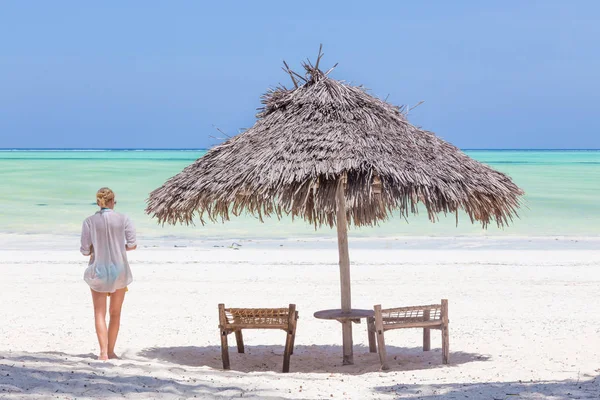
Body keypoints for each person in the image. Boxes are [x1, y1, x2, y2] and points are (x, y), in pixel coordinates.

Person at [80, 187, 137, 360]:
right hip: (119, 271)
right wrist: (120, 248)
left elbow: (84, 250)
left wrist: (95, 249)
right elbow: (133, 244)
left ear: (99, 202)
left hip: (98, 270)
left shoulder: (89, 221)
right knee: (115, 313)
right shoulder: (123, 218)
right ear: (113, 202)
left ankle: (103, 353)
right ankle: (111, 351)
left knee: (99, 313)